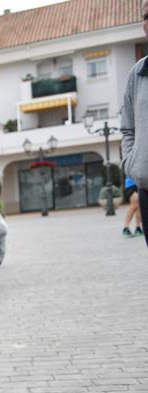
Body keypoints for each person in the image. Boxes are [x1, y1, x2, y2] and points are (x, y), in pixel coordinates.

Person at [121, 6, 148, 249]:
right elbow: (127, 128)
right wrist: (132, 164)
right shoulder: (138, 73)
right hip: (146, 184)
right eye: (146, 16)